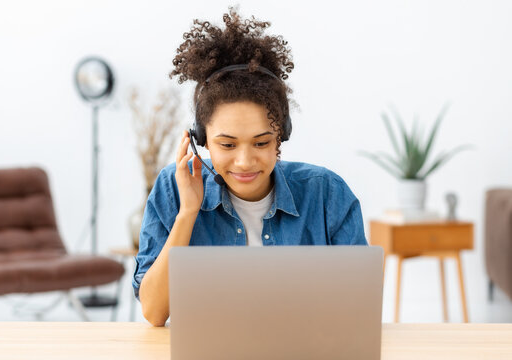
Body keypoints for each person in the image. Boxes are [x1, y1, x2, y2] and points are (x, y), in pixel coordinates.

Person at [132, 7, 367, 327]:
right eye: (227, 145)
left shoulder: (326, 193)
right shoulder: (173, 189)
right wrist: (188, 212)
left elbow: (356, 307)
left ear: (281, 135)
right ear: (201, 140)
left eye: (261, 143)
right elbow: (154, 312)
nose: (244, 162)